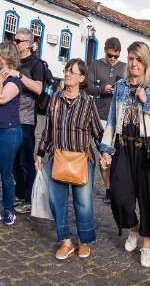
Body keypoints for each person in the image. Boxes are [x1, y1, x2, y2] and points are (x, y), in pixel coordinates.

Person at [99, 41, 150, 268]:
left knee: (149, 198)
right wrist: (105, 148)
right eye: (131, 59)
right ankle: (133, 228)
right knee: (119, 196)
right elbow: (112, 118)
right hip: (123, 146)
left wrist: (147, 103)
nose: (134, 63)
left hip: (148, 148)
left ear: (146, 62)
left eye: (138, 59)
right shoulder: (120, 86)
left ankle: (147, 246)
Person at [36, 59, 104, 260]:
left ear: (82, 78)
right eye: (66, 70)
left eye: (72, 72)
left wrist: (106, 153)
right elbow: (48, 129)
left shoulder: (88, 102)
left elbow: (98, 133)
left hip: (82, 159)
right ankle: (65, 241)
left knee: (83, 203)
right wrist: (40, 154)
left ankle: (84, 241)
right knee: (56, 201)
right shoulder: (55, 98)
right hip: (57, 157)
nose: (67, 74)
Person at [83, 36, 126, 205]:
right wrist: (102, 89)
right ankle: (109, 189)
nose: (113, 59)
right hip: (100, 117)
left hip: (119, 119)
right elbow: (87, 87)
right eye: (110, 55)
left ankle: (119, 187)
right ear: (105, 51)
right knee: (104, 155)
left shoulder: (124, 68)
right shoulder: (95, 65)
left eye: (116, 56)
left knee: (119, 157)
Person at [11, 28, 44, 215]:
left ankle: (29, 198)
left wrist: (20, 76)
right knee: (13, 160)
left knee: (25, 159)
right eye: (14, 40)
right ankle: (18, 194)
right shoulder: (13, 61)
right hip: (10, 118)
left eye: (18, 41)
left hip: (26, 120)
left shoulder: (36, 64)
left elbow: (39, 89)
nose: (15, 43)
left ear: (29, 43)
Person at [0, 41, 23, 226]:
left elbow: (2, 98)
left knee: (6, 173)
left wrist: (1, 80)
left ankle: (9, 210)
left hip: (9, 131)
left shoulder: (13, 80)